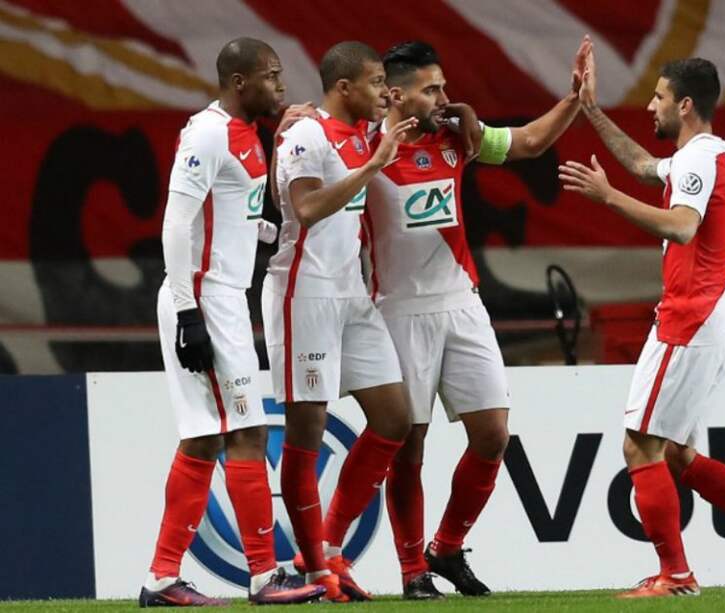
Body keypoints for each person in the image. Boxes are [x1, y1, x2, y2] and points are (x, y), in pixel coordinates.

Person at [559, 47, 725, 598]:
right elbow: (640, 165)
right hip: (715, 316)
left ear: (686, 103)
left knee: (639, 447)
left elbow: (680, 227)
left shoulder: (699, 158)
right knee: (676, 453)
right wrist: (590, 109)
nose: (650, 106)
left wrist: (606, 198)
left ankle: (675, 575)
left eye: (658, 97)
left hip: (691, 319)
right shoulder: (711, 154)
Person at [364, 37, 590, 600]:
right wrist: (299, 114)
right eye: (431, 88)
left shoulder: (456, 139)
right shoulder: (363, 148)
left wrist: (575, 100)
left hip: (461, 303)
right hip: (397, 308)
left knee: (492, 435)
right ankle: (412, 568)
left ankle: (446, 546)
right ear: (394, 93)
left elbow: (530, 142)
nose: (444, 96)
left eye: (444, 86)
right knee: (407, 446)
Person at [141, 38, 327, 607]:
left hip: (221, 298)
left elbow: (244, 216)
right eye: (272, 77)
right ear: (239, 82)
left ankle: (161, 579)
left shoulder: (250, 135)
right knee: (247, 431)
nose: (282, 86)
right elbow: (176, 224)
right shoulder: (207, 134)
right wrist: (189, 311)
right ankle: (264, 576)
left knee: (201, 438)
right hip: (201, 297)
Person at [262, 41, 418, 602]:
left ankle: (323, 548)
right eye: (376, 82)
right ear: (344, 87)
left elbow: (406, 121)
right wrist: (372, 166)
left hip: (350, 293)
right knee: (306, 433)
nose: (384, 91)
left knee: (394, 418)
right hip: (304, 293)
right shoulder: (306, 135)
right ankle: (316, 574)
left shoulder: (365, 133)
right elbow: (304, 209)